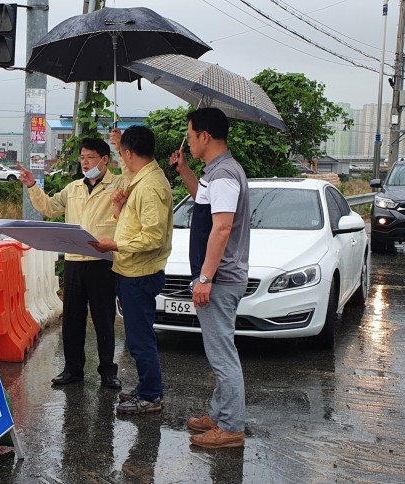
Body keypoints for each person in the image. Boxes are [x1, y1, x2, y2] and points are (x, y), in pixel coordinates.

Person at [170, 107, 250, 448]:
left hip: (220, 278)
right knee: (218, 349)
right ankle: (219, 415)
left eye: (190, 135)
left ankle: (231, 427)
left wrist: (204, 278)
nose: (188, 140)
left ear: (205, 136)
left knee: (221, 354)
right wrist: (185, 169)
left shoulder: (224, 176)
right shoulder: (213, 173)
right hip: (217, 276)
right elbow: (202, 203)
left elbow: (222, 226)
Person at [18, 137, 125, 390]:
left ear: (105, 160)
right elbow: (49, 207)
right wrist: (32, 185)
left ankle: (108, 371)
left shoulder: (119, 184)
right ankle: (72, 369)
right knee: (73, 319)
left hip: (102, 261)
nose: (85, 163)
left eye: (90, 158)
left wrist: (120, 145)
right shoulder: (73, 188)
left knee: (103, 318)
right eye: (82, 158)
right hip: (74, 261)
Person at [89, 126, 173, 414]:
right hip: (130, 271)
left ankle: (151, 395)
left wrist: (115, 243)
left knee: (140, 338)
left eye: (121, 152)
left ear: (129, 152)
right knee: (138, 336)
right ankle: (147, 387)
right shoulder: (141, 177)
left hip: (140, 273)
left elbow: (154, 237)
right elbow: (126, 174)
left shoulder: (150, 187)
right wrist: (117, 145)